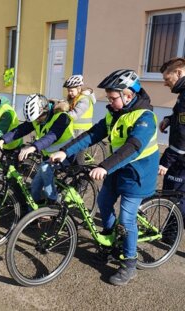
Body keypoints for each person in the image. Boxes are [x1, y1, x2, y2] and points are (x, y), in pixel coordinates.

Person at [50, 69, 159, 286]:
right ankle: (111, 243)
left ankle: (129, 262)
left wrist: (104, 166)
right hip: (117, 168)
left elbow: (133, 147)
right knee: (103, 202)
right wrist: (65, 151)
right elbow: (92, 134)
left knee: (127, 218)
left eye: (113, 97)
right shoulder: (114, 113)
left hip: (139, 173)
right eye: (108, 97)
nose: (109, 101)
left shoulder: (145, 117)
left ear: (128, 95)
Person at [0, 93, 74, 204]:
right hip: (49, 157)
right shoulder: (37, 117)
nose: (37, 121)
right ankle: (32, 215)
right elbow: (20, 130)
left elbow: (51, 136)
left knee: (44, 169)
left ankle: (52, 203)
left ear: (45, 110)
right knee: (35, 186)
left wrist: (33, 147)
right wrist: (2, 140)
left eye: (39, 118)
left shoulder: (62, 117)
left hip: (66, 155)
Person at [158, 57, 185, 224]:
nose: (165, 84)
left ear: (179, 72)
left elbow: (183, 135)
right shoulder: (183, 92)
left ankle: (170, 234)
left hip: (181, 157)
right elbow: (179, 115)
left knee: (177, 197)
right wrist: (169, 119)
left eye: (167, 79)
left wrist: (166, 160)